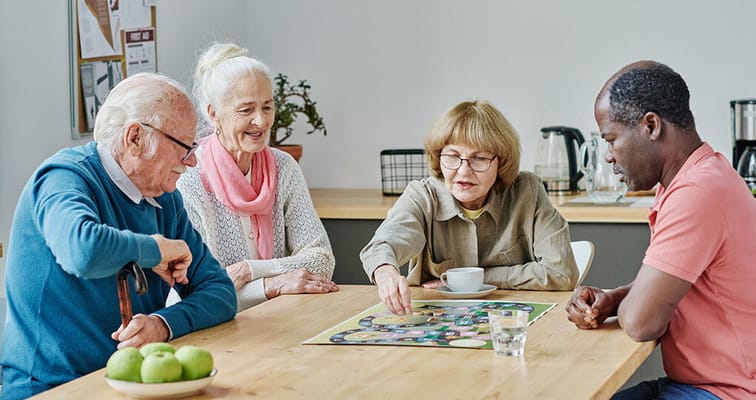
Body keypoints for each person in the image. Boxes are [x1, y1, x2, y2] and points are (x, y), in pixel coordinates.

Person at [0, 73, 237, 399]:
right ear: (135, 138)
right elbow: (84, 251)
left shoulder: (164, 199)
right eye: (184, 146)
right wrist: (156, 248)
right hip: (49, 389)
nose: (193, 161)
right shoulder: (64, 178)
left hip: (129, 385)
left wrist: (162, 324)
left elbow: (220, 292)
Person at [566, 61, 756, 399]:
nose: (609, 157)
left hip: (727, 392)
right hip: (703, 385)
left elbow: (641, 323)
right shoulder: (698, 176)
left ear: (651, 125)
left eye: (611, 139)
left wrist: (631, 305)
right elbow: (686, 281)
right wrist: (616, 298)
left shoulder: (697, 194)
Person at [361, 100, 578, 315]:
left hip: (511, 323)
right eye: (453, 157)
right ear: (438, 156)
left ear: (500, 163)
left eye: (479, 159)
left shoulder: (527, 192)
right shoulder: (422, 196)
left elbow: (562, 273)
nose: (463, 172)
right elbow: (382, 245)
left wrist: (472, 280)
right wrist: (386, 273)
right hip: (437, 322)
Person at [175, 42, 337, 312]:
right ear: (213, 113)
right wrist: (272, 285)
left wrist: (248, 271)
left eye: (267, 107)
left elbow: (321, 260)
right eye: (246, 109)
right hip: (215, 330)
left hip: (281, 320)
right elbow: (196, 293)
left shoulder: (283, 166)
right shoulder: (189, 178)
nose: (261, 122)